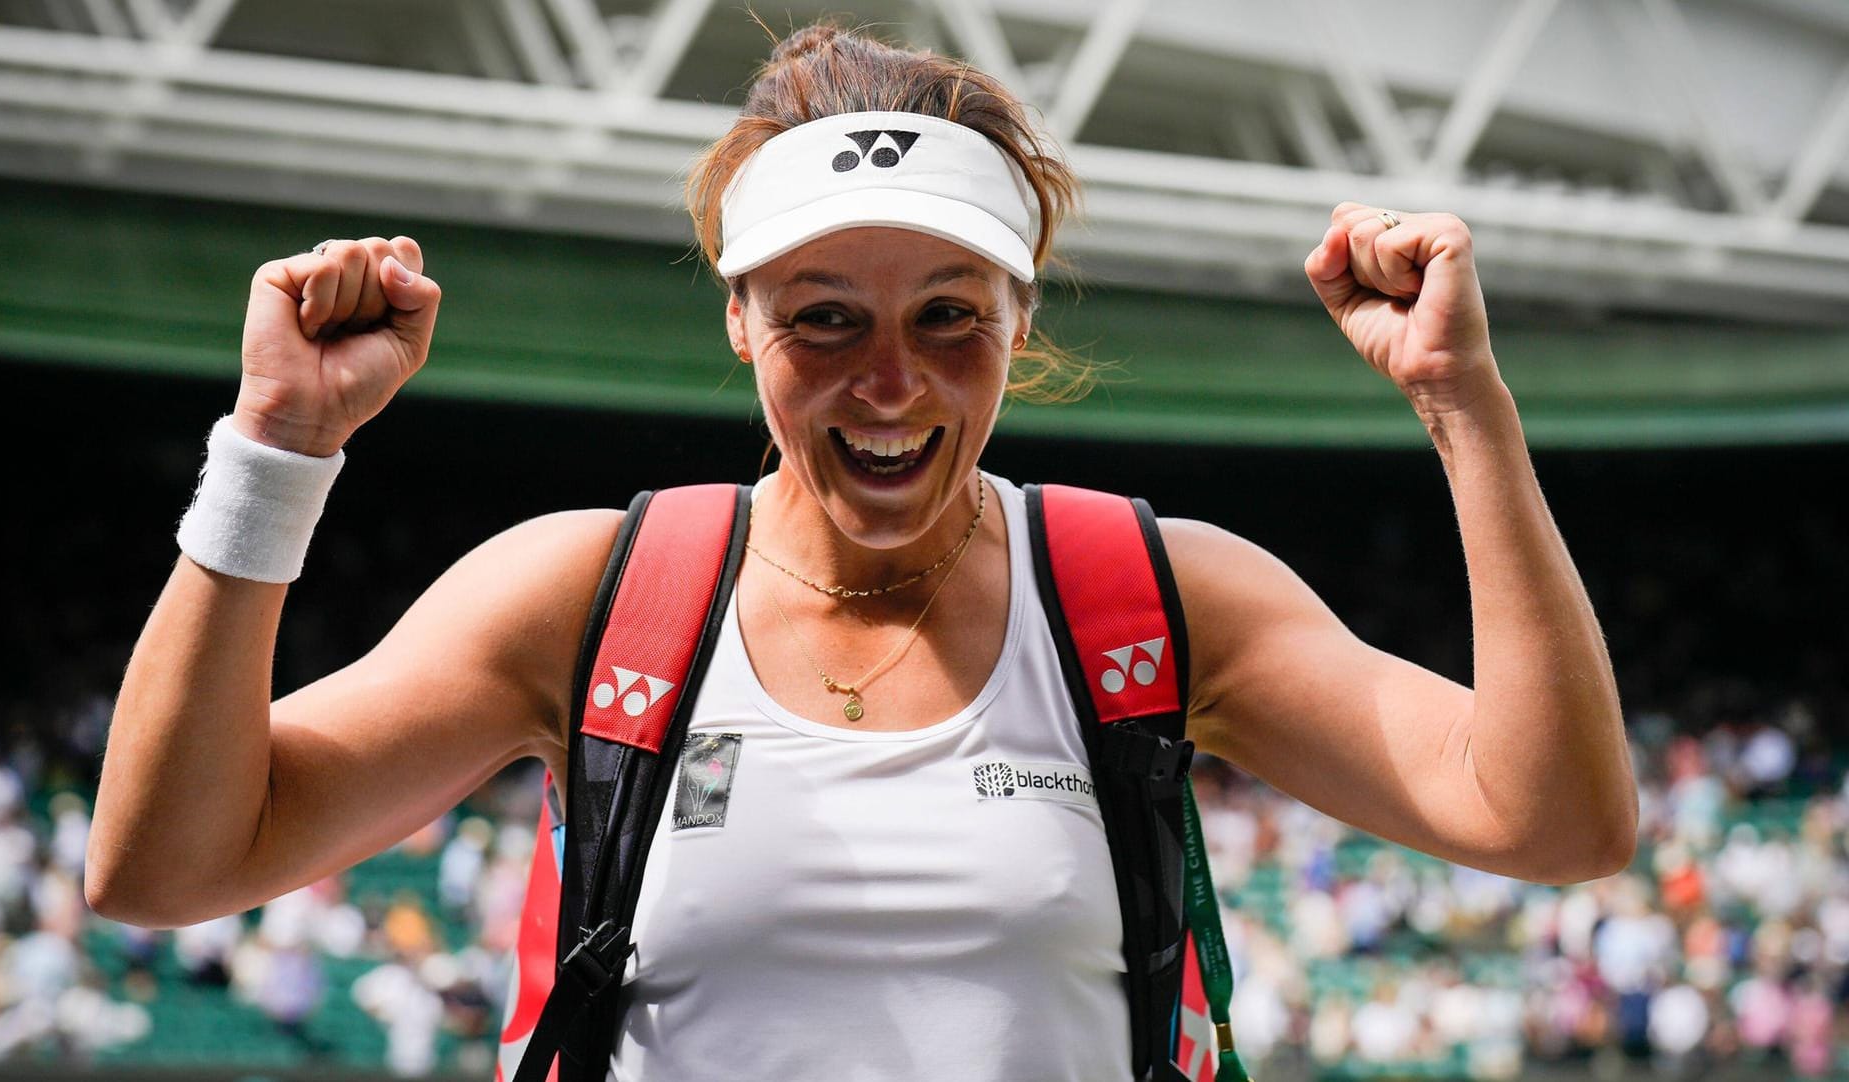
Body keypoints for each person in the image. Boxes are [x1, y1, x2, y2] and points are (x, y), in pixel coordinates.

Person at [85, 21, 1638, 1080]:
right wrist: (276, 456)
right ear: (740, 320)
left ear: (1018, 330)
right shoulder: (591, 595)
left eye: (947, 319)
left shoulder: (1152, 599)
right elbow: (166, 865)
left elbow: (1554, 818)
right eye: (824, 317)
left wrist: (1463, 406)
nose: (887, 383)